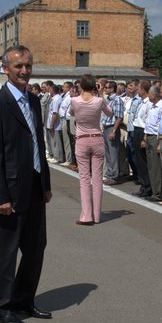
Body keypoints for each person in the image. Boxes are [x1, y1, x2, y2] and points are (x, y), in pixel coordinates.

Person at [0, 45, 53, 323]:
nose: (24, 71)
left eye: (28, 66)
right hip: (8, 191)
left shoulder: (32, 101)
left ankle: (23, 299)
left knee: (36, 247)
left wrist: (45, 183)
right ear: (6, 69)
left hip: (34, 185)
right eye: (18, 66)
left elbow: (38, 144)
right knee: (8, 251)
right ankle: (2, 306)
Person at [69, 74, 112, 225]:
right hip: (97, 138)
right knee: (97, 178)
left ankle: (87, 215)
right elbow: (110, 112)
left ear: (81, 85)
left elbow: (71, 113)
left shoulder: (75, 101)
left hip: (82, 139)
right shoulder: (99, 101)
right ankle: (96, 215)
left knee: (84, 178)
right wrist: (100, 94)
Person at [145, 85, 162, 202]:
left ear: (154, 95)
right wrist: (145, 137)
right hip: (149, 136)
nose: (148, 95)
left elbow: (160, 125)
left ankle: (159, 192)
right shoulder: (152, 106)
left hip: (155, 137)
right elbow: (149, 123)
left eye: (149, 93)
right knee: (151, 166)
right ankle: (154, 191)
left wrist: (158, 141)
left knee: (156, 166)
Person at [102, 81, 124, 185]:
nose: (105, 89)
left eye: (107, 87)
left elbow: (119, 117)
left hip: (112, 127)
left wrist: (114, 131)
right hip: (106, 127)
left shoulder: (117, 100)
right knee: (108, 153)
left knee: (113, 153)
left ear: (112, 89)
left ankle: (114, 175)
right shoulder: (108, 100)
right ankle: (109, 174)